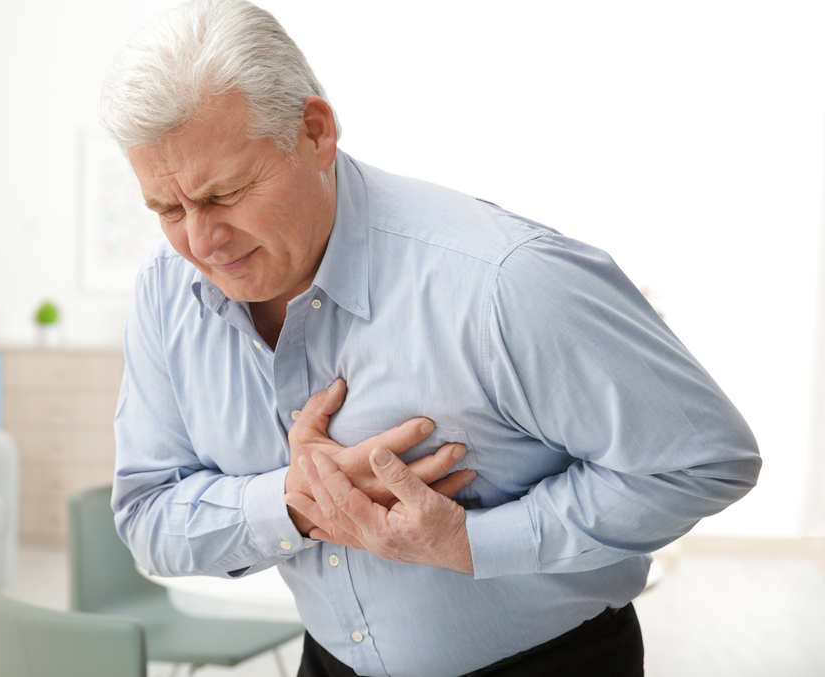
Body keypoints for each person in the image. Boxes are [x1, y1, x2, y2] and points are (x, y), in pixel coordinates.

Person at [99, 1, 762, 675]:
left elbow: (705, 461)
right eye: (168, 209)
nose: (201, 241)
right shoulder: (165, 291)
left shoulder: (505, 280)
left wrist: (472, 541)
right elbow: (148, 519)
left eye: (225, 193)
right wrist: (294, 497)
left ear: (314, 132)